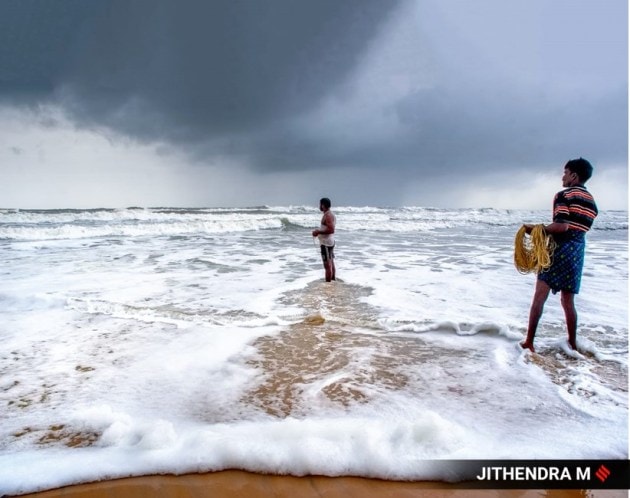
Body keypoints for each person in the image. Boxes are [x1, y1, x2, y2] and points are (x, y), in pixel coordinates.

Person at [520, 158, 598, 353]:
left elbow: (561, 226)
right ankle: (572, 342)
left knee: (539, 297)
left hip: (559, 249)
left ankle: (529, 342)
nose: (562, 176)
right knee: (568, 301)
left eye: (565, 172)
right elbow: (578, 228)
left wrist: (536, 230)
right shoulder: (591, 202)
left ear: (574, 176)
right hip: (577, 251)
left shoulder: (564, 195)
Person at [312, 197, 336, 282]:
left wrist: (318, 232)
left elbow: (331, 229)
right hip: (330, 241)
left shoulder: (328, 215)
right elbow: (328, 228)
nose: (319, 206)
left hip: (326, 243)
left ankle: (328, 286)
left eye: (320, 204)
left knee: (327, 265)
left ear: (323, 205)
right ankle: (332, 282)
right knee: (331, 262)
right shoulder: (329, 214)